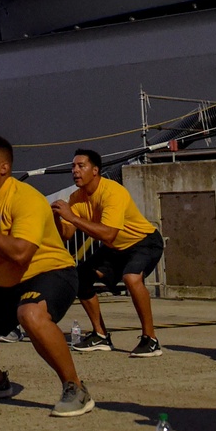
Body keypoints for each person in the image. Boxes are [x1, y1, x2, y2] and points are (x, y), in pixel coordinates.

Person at [0, 134, 93, 418]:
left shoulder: (25, 198)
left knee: (30, 314)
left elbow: (22, 253)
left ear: (3, 168)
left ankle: (76, 387)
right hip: (5, 278)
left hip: (50, 271)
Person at [52, 147, 164, 357]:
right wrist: (58, 218)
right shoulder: (76, 197)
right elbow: (66, 235)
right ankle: (101, 335)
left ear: (95, 170)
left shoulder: (113, 192)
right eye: (73, 166)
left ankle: (151, 339)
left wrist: (73, 217)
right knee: (80, 277)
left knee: (131, 278)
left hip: (143, 242)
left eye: (80, 166)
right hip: (116, 249)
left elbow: (109, 234)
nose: (75, 171)